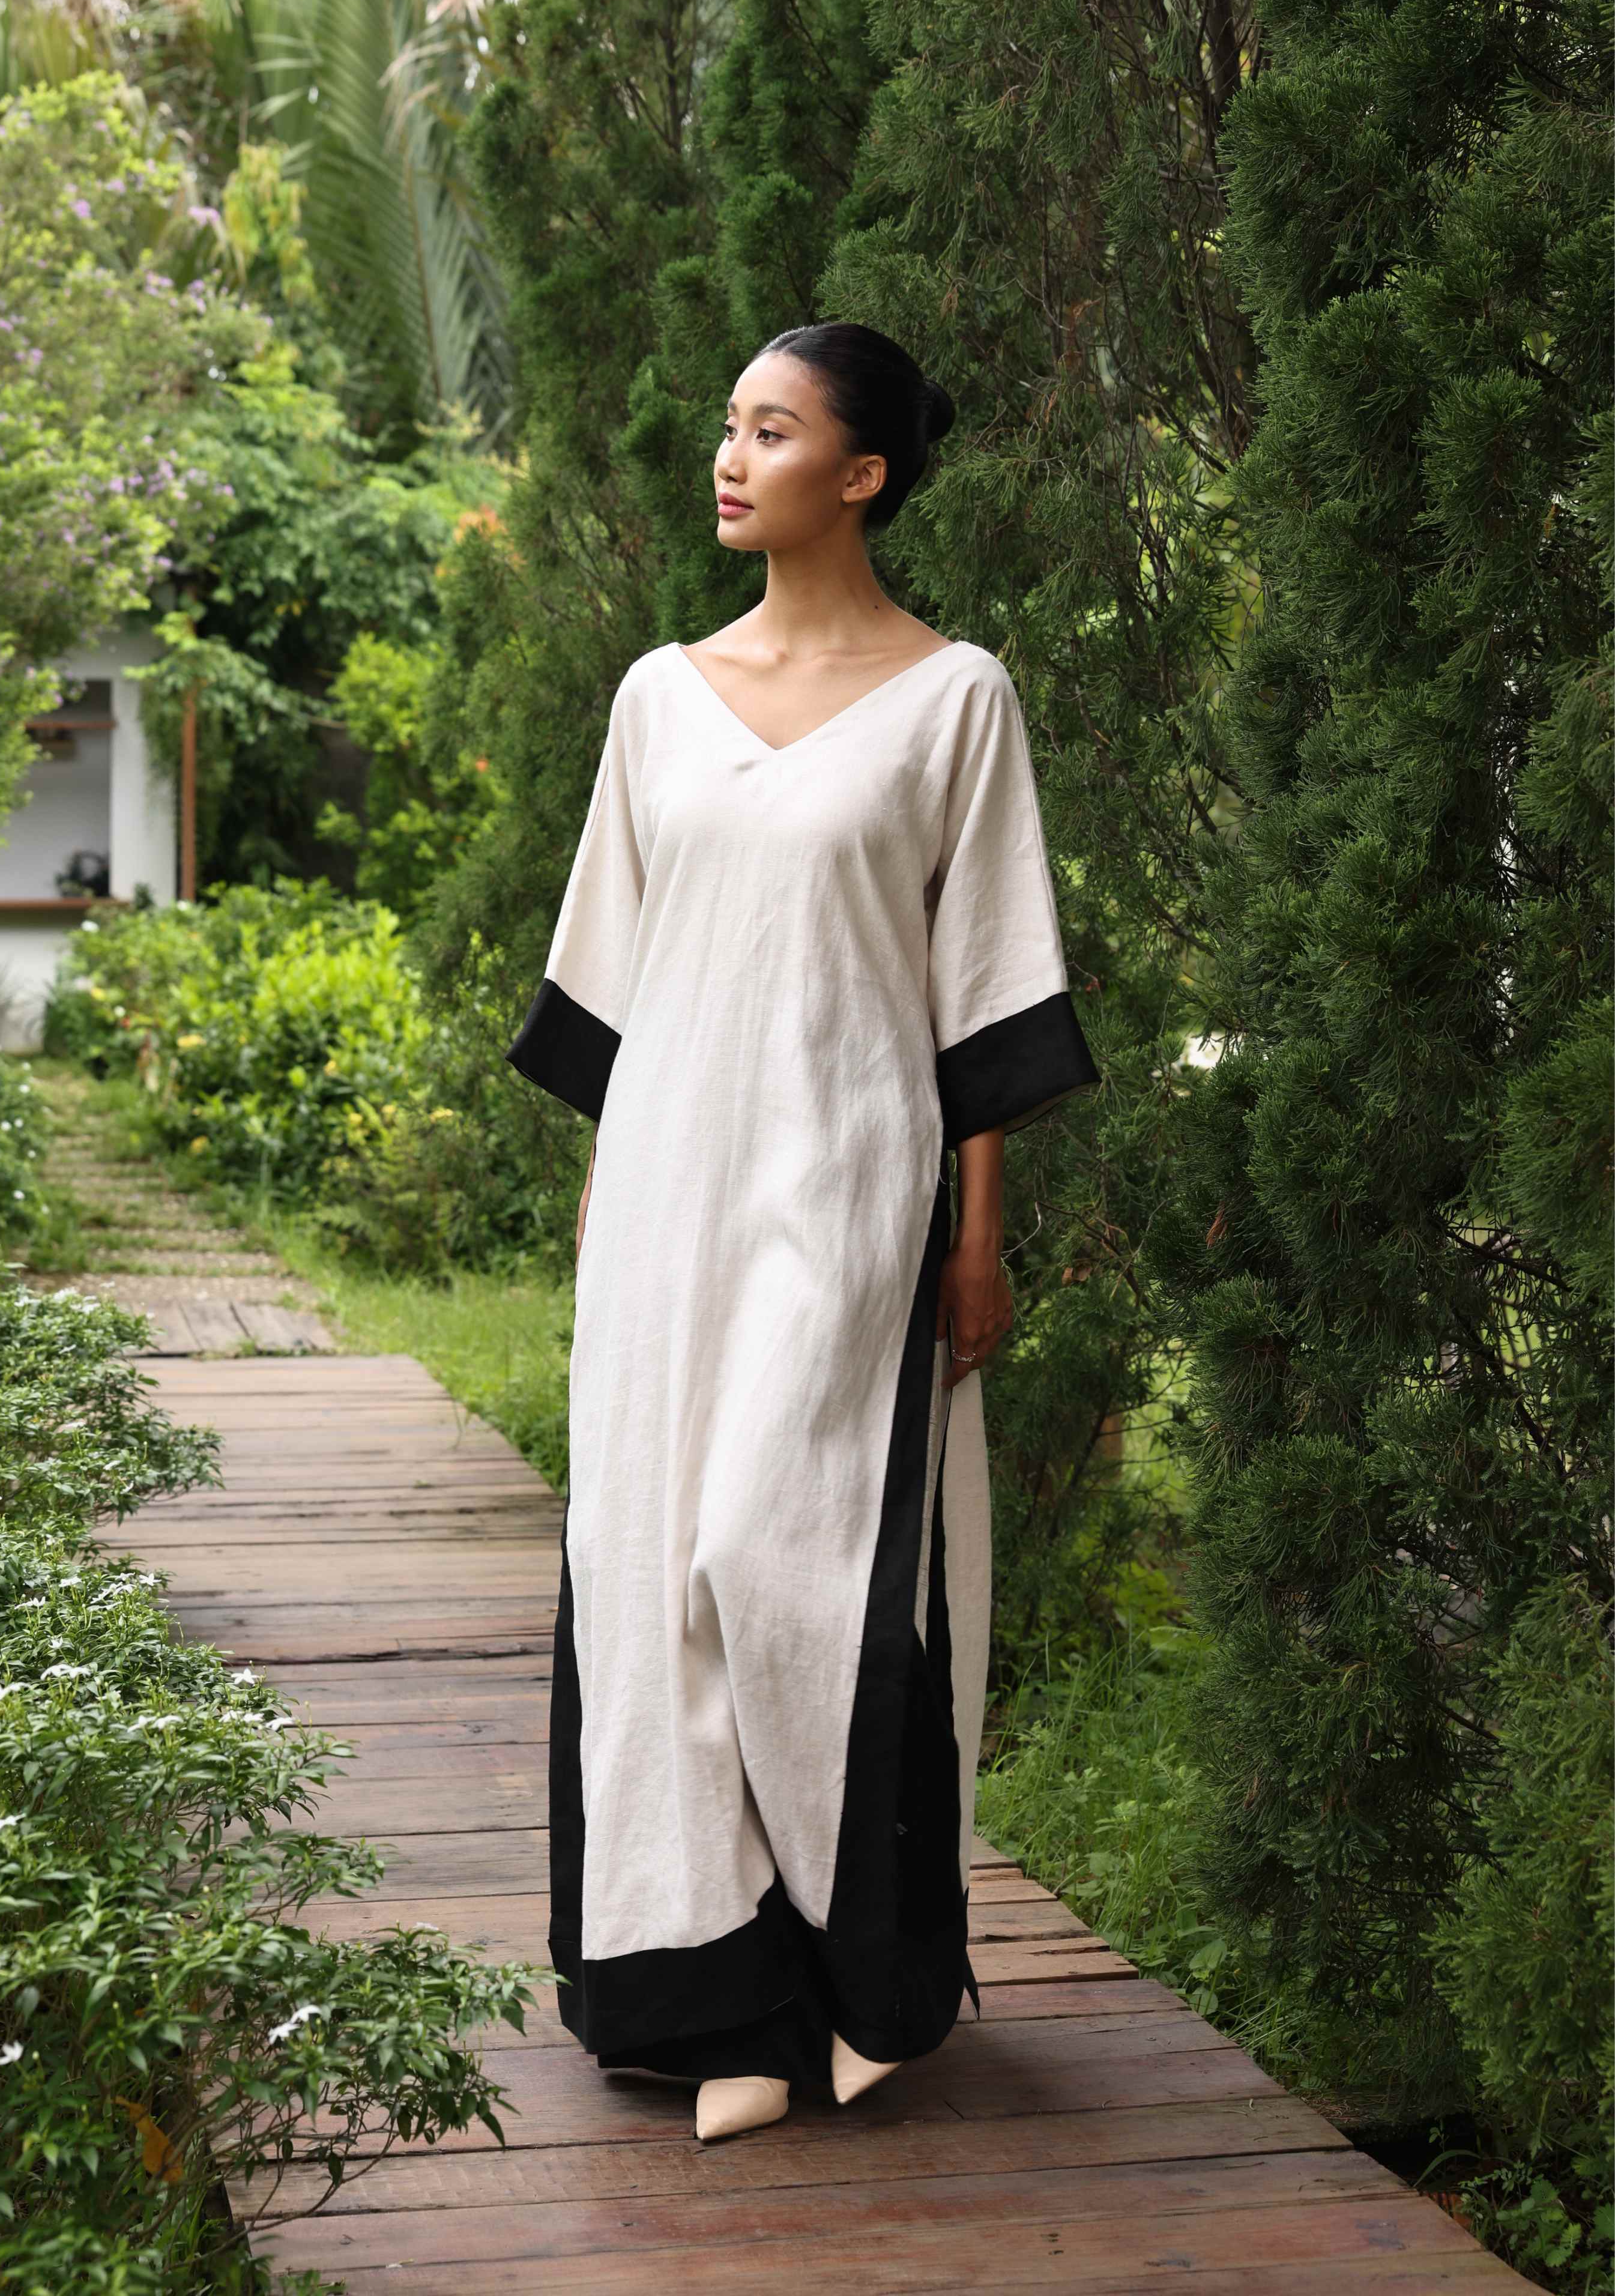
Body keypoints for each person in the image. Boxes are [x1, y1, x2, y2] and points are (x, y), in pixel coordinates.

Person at [506, 318, 1099, 2144]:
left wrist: (976, 1233)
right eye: (728, 424)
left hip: (847, 1188)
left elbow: (983, 991)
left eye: (769, 431)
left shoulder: (954, 699)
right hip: (667, 1198)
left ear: (860, 476)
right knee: (649, 1571)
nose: (728, 454)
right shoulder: (654, 698)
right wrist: (602, 1215)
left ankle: (868, 1975)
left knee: (788, 1559)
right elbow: (610, 988)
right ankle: (719, 2009)